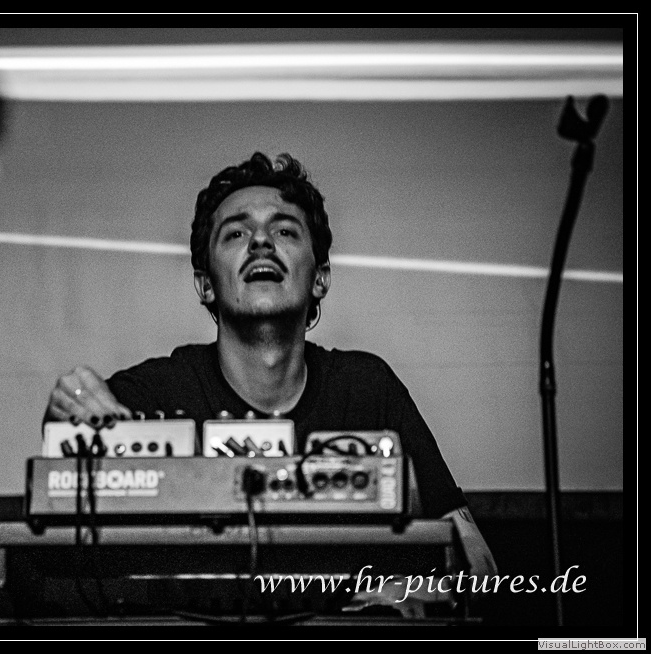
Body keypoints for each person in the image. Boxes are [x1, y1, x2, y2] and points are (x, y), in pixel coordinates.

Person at [44, 152, 497, 596]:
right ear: (205, 284)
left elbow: (478, 565)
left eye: (284, 230)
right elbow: (68, 451)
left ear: (320, 278)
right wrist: (68, 408)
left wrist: (400, 595)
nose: (261, 242)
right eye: (236, 232)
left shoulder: (366, 388)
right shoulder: (160, 393)